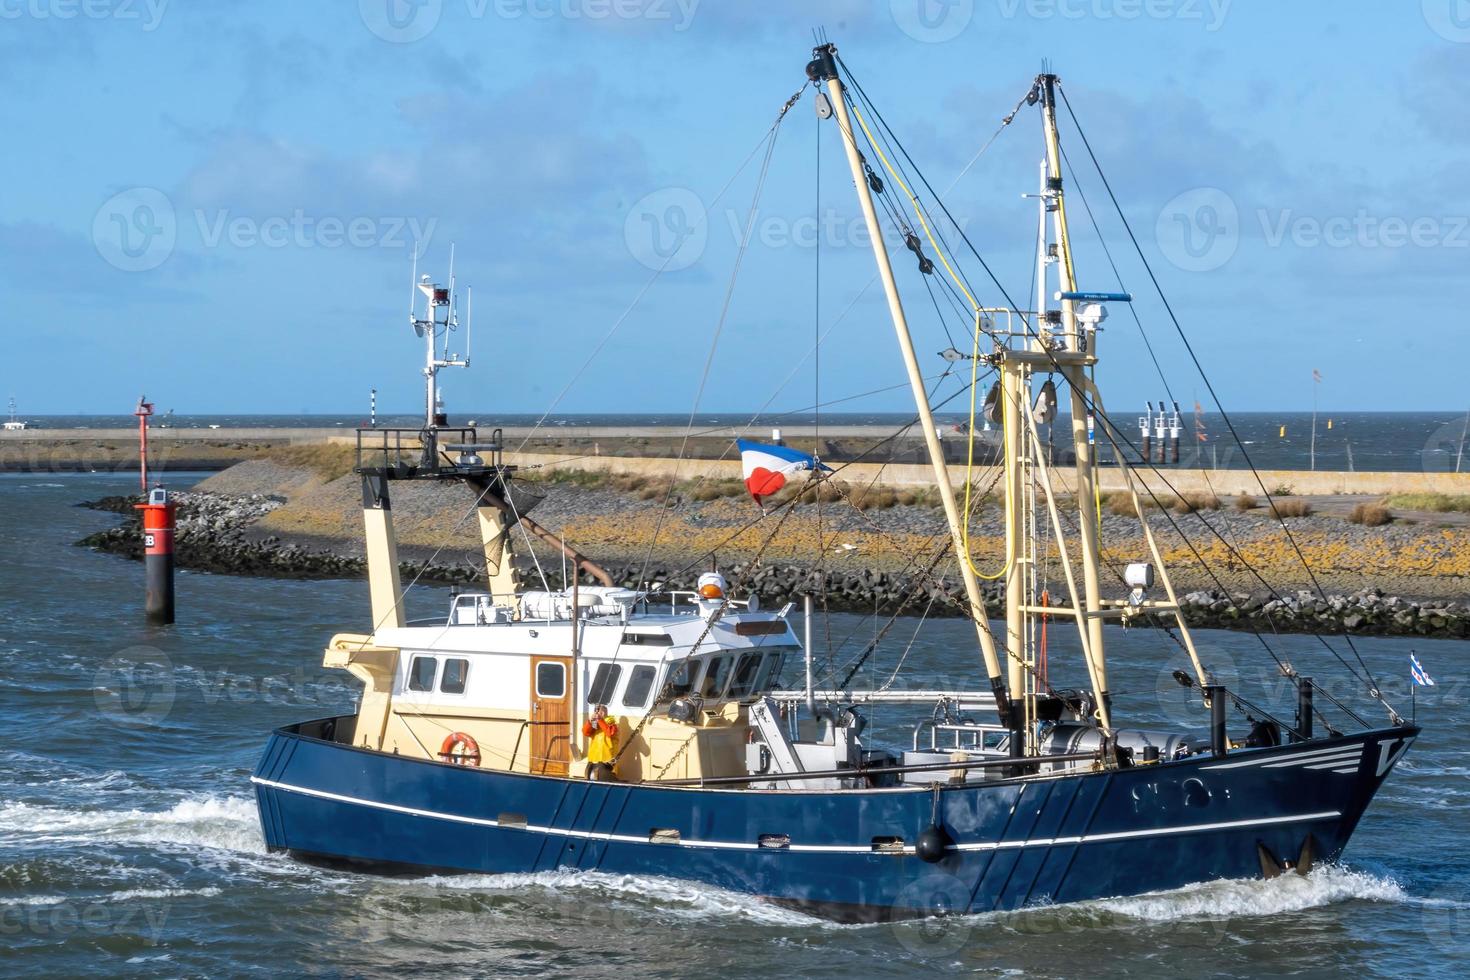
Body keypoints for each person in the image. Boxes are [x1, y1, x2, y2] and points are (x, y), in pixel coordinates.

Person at [582, 703, 619, 781]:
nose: (596, 714)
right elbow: (586, 732)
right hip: (593, 761)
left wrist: (600, 720)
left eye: (598, 712)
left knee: (605, 779)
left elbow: (609, 733)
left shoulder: (612, 724)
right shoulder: (596, 724)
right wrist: (590, 721)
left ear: (603, 713)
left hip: (606, 763)